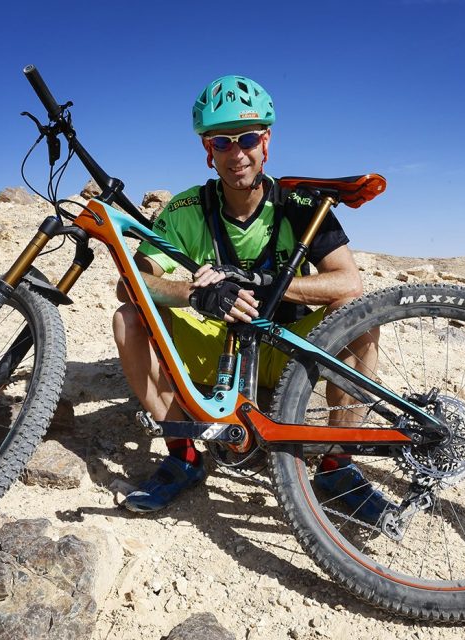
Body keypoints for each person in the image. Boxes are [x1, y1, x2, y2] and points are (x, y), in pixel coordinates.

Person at [112, 75, 392, 520]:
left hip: (289, 349)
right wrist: (192, 293)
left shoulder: (299, 204)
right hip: (216, 349)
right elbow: (132, 282)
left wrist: (256, 281)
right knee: (128, 317)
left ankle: (337, 465)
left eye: (246, 139)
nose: (236, 153)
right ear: (208, 150)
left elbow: (347, 283)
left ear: (266, 142)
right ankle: (183, 455)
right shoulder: (185, 209)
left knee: (359, 316)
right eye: (222, 142)